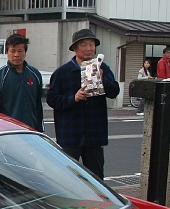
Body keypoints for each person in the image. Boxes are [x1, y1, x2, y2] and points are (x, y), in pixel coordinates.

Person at [46, 29, 120, 180]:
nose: (88, 48)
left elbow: (114, 92)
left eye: (91, 45)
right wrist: (74, 97)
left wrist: (102, 78)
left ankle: (99, 203)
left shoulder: (103, 68)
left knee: (96, 178)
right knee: (68, 178)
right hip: (70, 135)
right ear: (74, 48)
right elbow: (52, 99)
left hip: (94, 135)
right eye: (83, 44)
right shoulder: (62, 72)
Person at [0, 33, 44, 132]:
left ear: (25, 53)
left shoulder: (35, 75)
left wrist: (40, 129)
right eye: (13, 51)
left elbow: (39, 105)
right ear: (7, 53)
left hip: (31, 130)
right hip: (9, 132)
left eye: (20, 51)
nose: (16, 55)